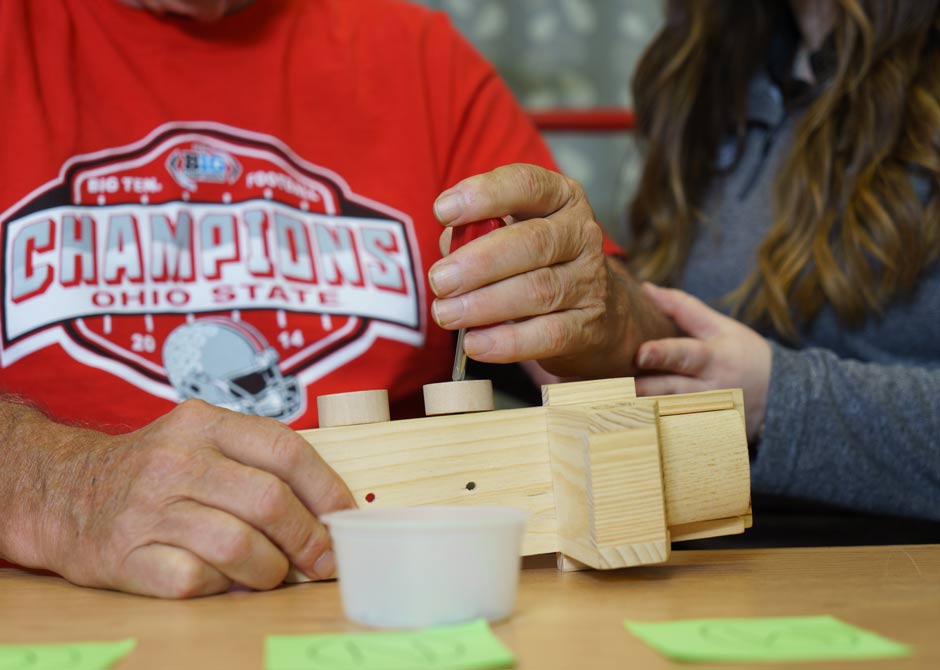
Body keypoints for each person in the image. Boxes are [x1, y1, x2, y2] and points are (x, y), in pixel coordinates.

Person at [0, 0, 669, 597]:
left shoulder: (416, 55)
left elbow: (637, 361)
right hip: (55, 608)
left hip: (388, 596)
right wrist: (58, 487)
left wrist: (602, 312)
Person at [431, 0, 940, 525]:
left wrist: (779, 399)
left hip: (891, 565)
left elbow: (742, 381)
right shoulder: (714, 72)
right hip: (717, 551)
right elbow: (692, 348)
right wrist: (566, 317)